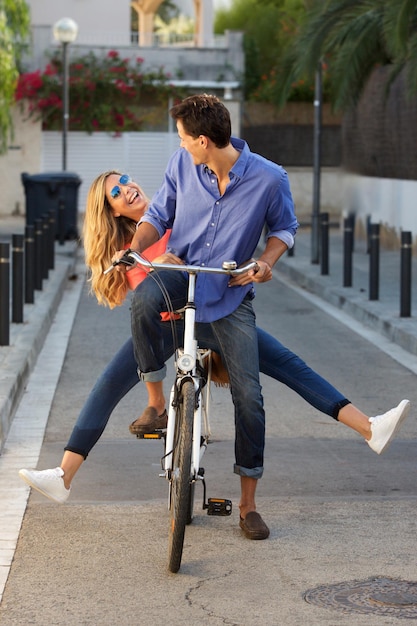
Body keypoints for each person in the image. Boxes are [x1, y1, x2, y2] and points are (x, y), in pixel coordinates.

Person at [19, 169, 410, 532]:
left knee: (287, 367)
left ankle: (367, 429)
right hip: (164, 331)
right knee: (106, 386)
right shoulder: (129, 247)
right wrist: (152, 264)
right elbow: (138, 297)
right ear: (113, 210)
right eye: (116, 195)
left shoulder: (175, 213)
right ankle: (65, 475)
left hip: (214, 316)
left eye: (123, 181)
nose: (127, 190)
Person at [111, 94, 410, 541]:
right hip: (182, 276)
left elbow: (284, 229)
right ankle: (156, 403)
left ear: (205, 140)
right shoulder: (182, 165)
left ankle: (248, 505)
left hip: (231, 294)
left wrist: (267, 262)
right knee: (141, 303)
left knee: (250, 395)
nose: (181, 146)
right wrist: (137, 247)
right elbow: (157, 215)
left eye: (185, 139)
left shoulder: (269, 178)